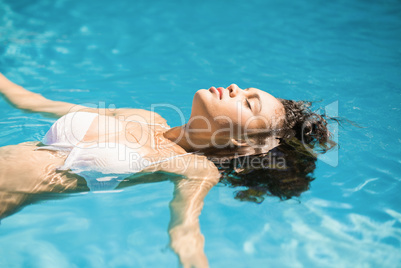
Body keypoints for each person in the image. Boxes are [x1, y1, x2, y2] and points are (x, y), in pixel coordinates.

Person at [0, 73, 336, 268]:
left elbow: (185, 233)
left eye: (248, 103)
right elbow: (32, 102)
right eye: (245, 90)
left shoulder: (195, 168)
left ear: (248, 145)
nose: (235, 88)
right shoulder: (145, 117)